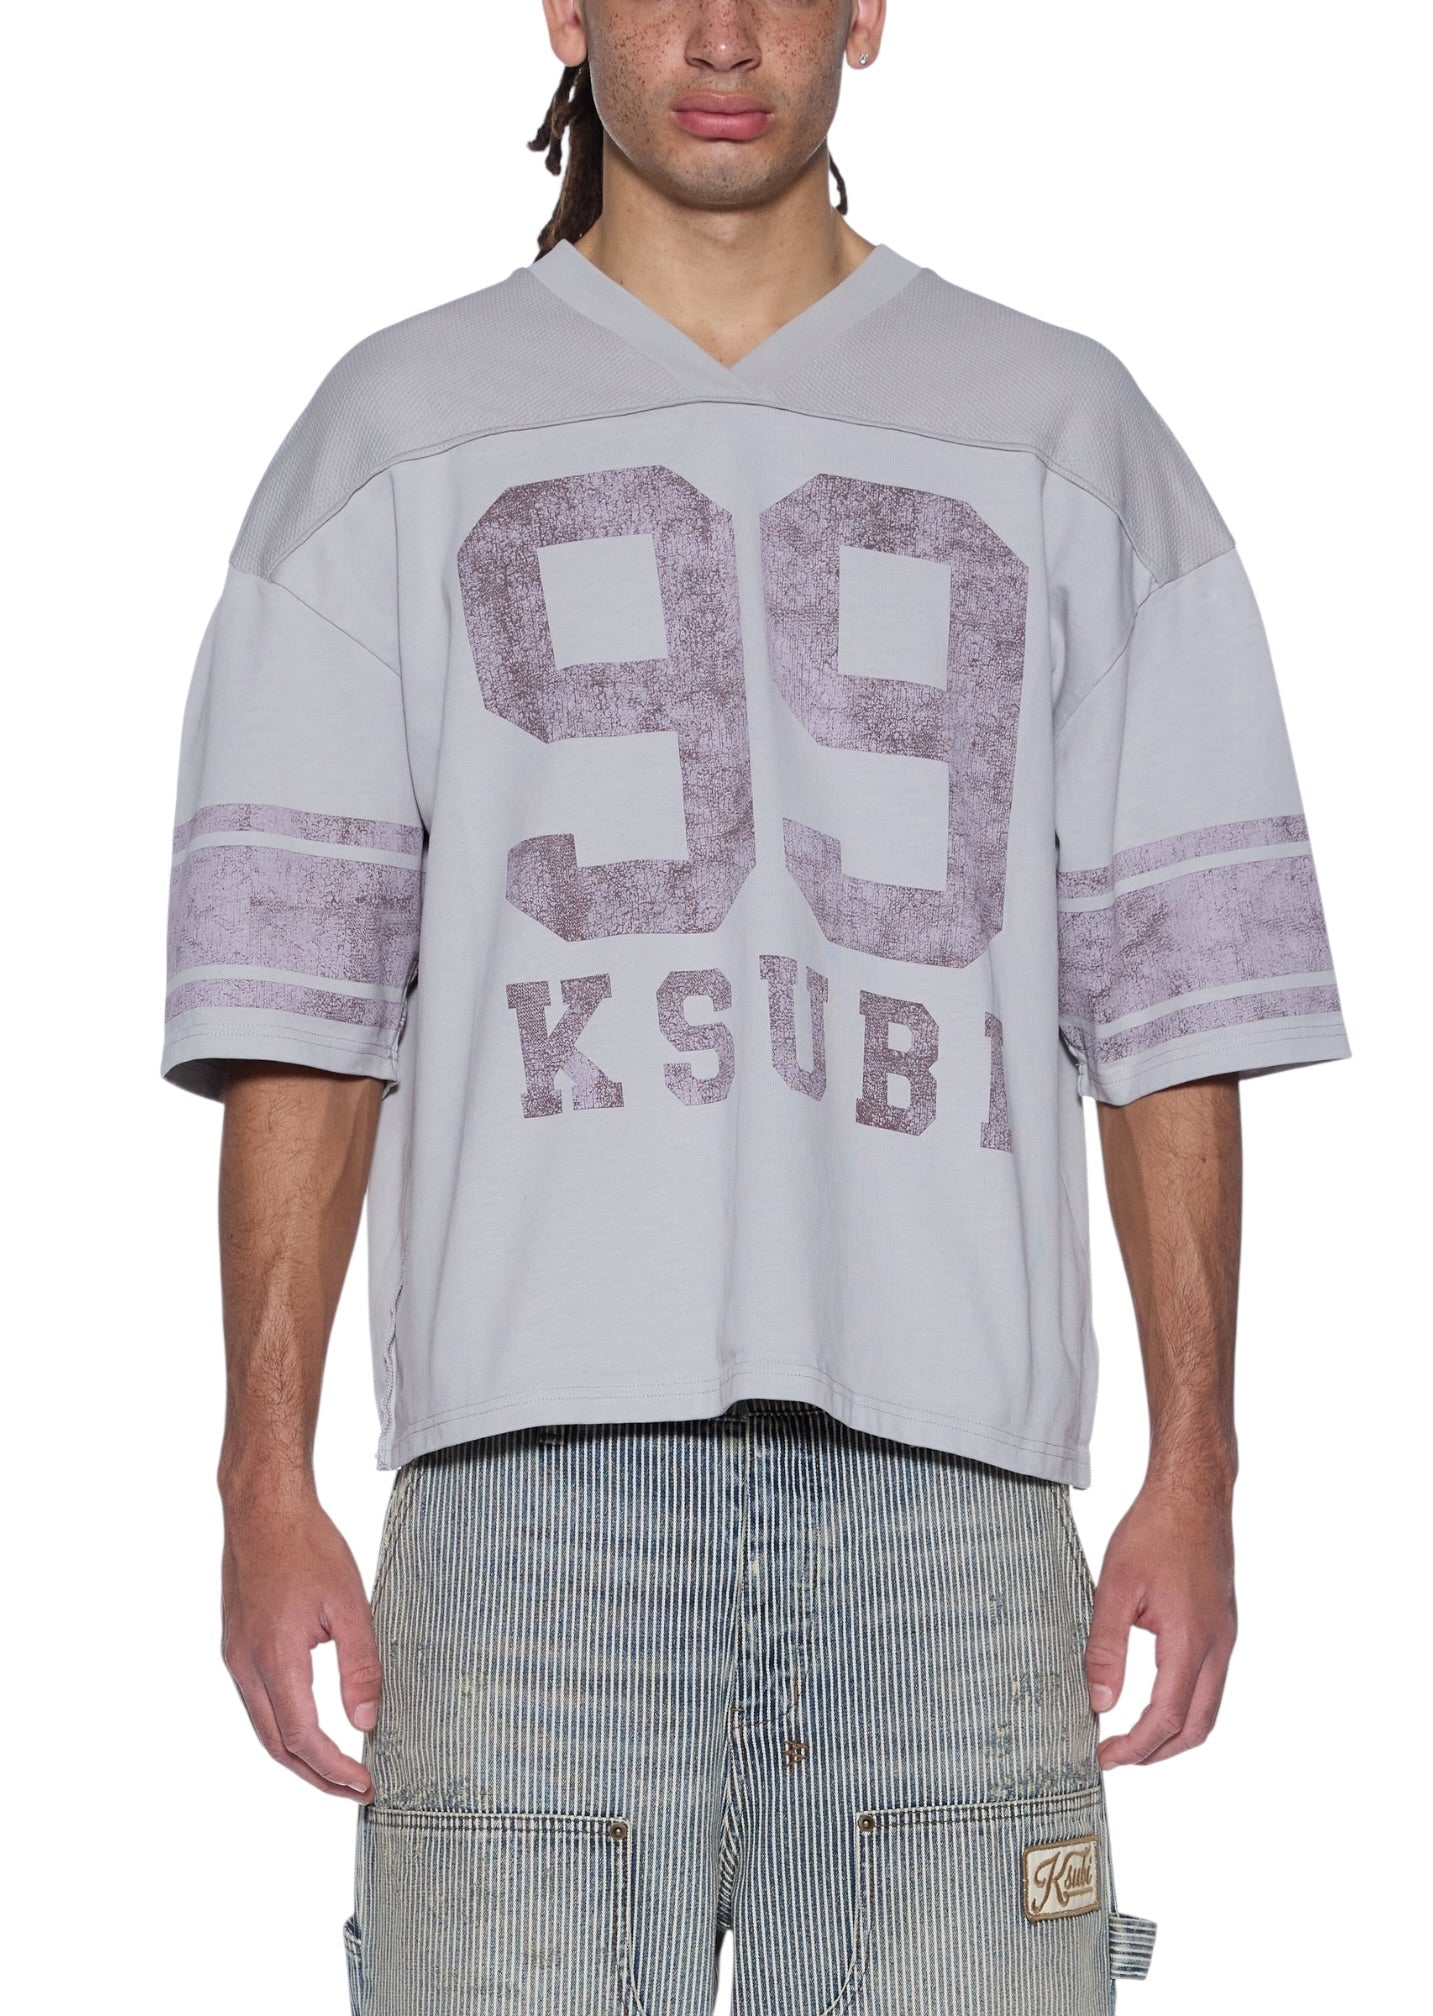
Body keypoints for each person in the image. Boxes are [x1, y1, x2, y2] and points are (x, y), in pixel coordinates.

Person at [160, 3, 1349, 2008]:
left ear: (868, 12)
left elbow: (1170, 1005)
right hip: (527, 1510)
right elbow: (305, 1009)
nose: (724, 35)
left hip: (955, 1502)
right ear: (566, 10)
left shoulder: (1064, 430)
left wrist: (1199, 1462)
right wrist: (259, 1480)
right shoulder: (394, 433)